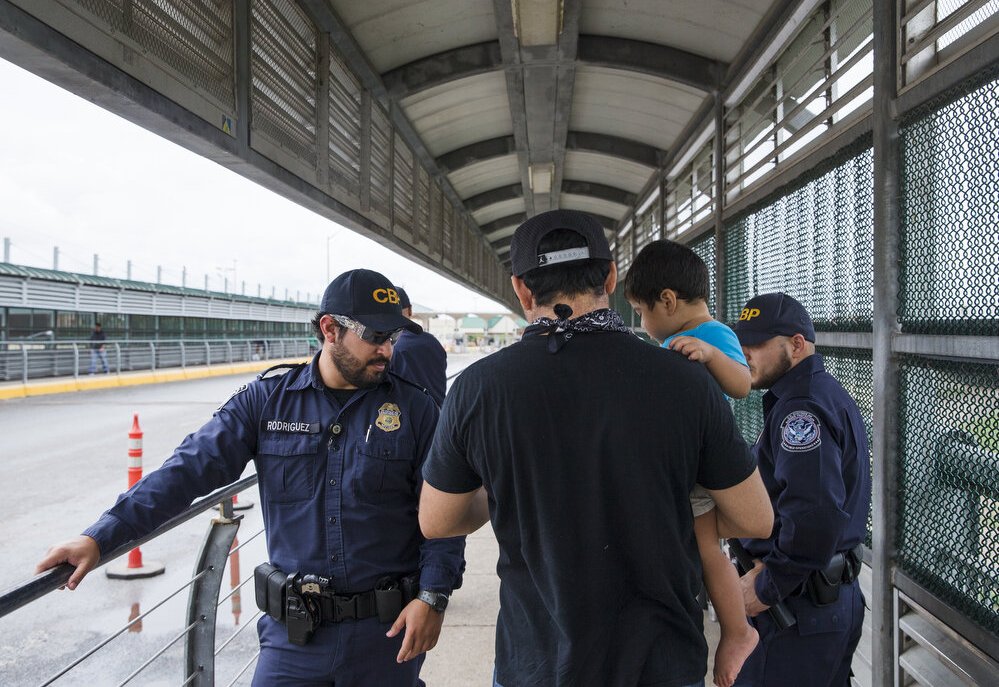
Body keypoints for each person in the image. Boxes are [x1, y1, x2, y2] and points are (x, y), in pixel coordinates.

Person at [36, 269, 466, 687]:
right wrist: (100, 537)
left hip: (386, 636)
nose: (387, 351)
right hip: (294, 639)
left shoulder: (416, 410)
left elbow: (444, 516)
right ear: (330, 329)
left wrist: (433, 597)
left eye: (392, 338)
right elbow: (186, 470)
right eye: (374, 337)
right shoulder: (267, 401)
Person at [416, 209, 774, 687]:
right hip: (660, 663)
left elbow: (436, 520)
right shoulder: (687, 379)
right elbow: (755, 519)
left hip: (536, 663)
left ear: (522, 290)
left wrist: (516, 490)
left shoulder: (479, 388)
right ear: (609, 276)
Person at [624, 239, 756, 687]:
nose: (643, 324)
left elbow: (742, 385)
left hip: (702, 468)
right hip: (682, 466)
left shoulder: (715, 335)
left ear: (668, 300)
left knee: (707, 552)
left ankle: (738, 633)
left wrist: (712, 356)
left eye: (642, 312)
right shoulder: (676, 342)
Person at [730, 292, 870, 687]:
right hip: (818, 601)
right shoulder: (819, 394)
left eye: (756, 344)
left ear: (796, 344)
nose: (745, 354)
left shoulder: (800, 409)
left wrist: (768, 585)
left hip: (798, 608)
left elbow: (815, 515)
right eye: (741, 344)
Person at [391, 286, 448, 407]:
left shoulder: (388, 347)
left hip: (406, 418)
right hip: (439, 416)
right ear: (410, 310)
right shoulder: (433, 342)